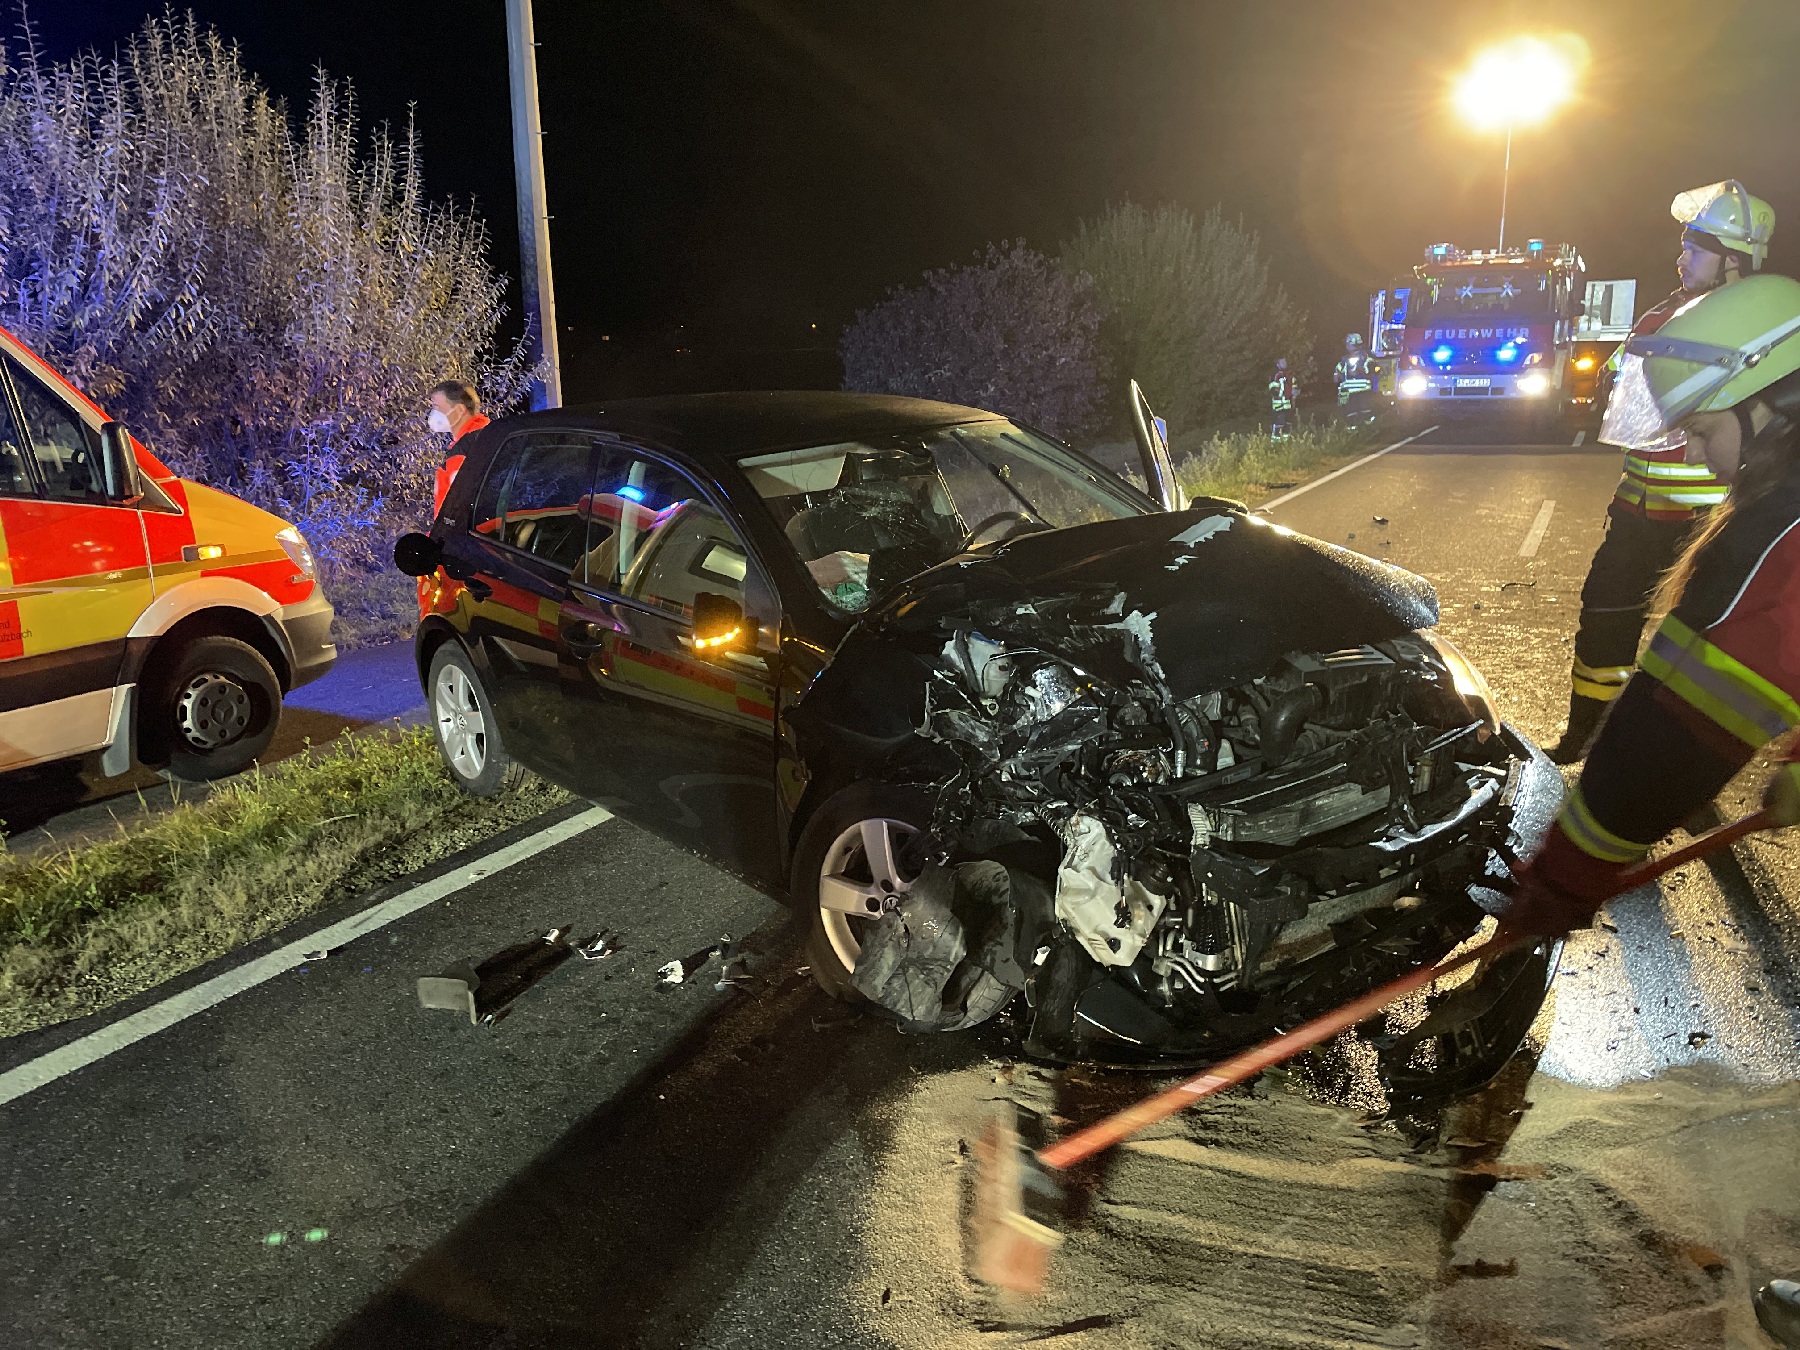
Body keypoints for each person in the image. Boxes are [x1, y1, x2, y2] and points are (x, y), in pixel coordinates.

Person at [1495, 273, 1800, 1347]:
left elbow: (1664, 743)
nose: (1697, 453)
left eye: (1706, 428)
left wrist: (1558, 885)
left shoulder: (1779, 535)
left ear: (1770, 404)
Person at [1547, 180, 1777, 763]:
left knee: (1693, 645)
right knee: (1605, 617)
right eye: (1684, 247)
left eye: (1695, 249)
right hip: (1638, 507)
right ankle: (1588, 735)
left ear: (1733, 259)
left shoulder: (1757, 326)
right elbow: (1617, 381)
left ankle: (1670, 762)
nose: (1681, 258)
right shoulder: (1660, 313)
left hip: (1712, 516)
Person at [429, 379, 491, 516]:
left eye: (437, 407)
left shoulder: (463, 451)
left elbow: (455, 511)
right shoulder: (488, 436)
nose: (433, 414)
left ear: (460, 410)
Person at [1334, 332, 1375, 428]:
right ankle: (1362, 427)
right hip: (1358, 390)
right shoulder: (1364, 357)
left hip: (1354, 390)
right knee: (1359, 410)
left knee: (1355, 410)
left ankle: (1357, 428)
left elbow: (1337, 375)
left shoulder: (1363, 358)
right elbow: (1338, 372)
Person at [1269, 357, 1297, 441]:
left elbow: (1294, 386)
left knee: (1288, 425)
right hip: (1279, 405)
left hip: (1288, 405)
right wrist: (1284, 393)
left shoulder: (1290, 375)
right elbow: (1273, 390)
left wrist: (1294, 392)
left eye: (1285, 361)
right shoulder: (1275, 375)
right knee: (1278, 424)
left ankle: (1285, 443)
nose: (1285, 363)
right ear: (1278, 364)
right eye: (1283, 362)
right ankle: (1275, 445)